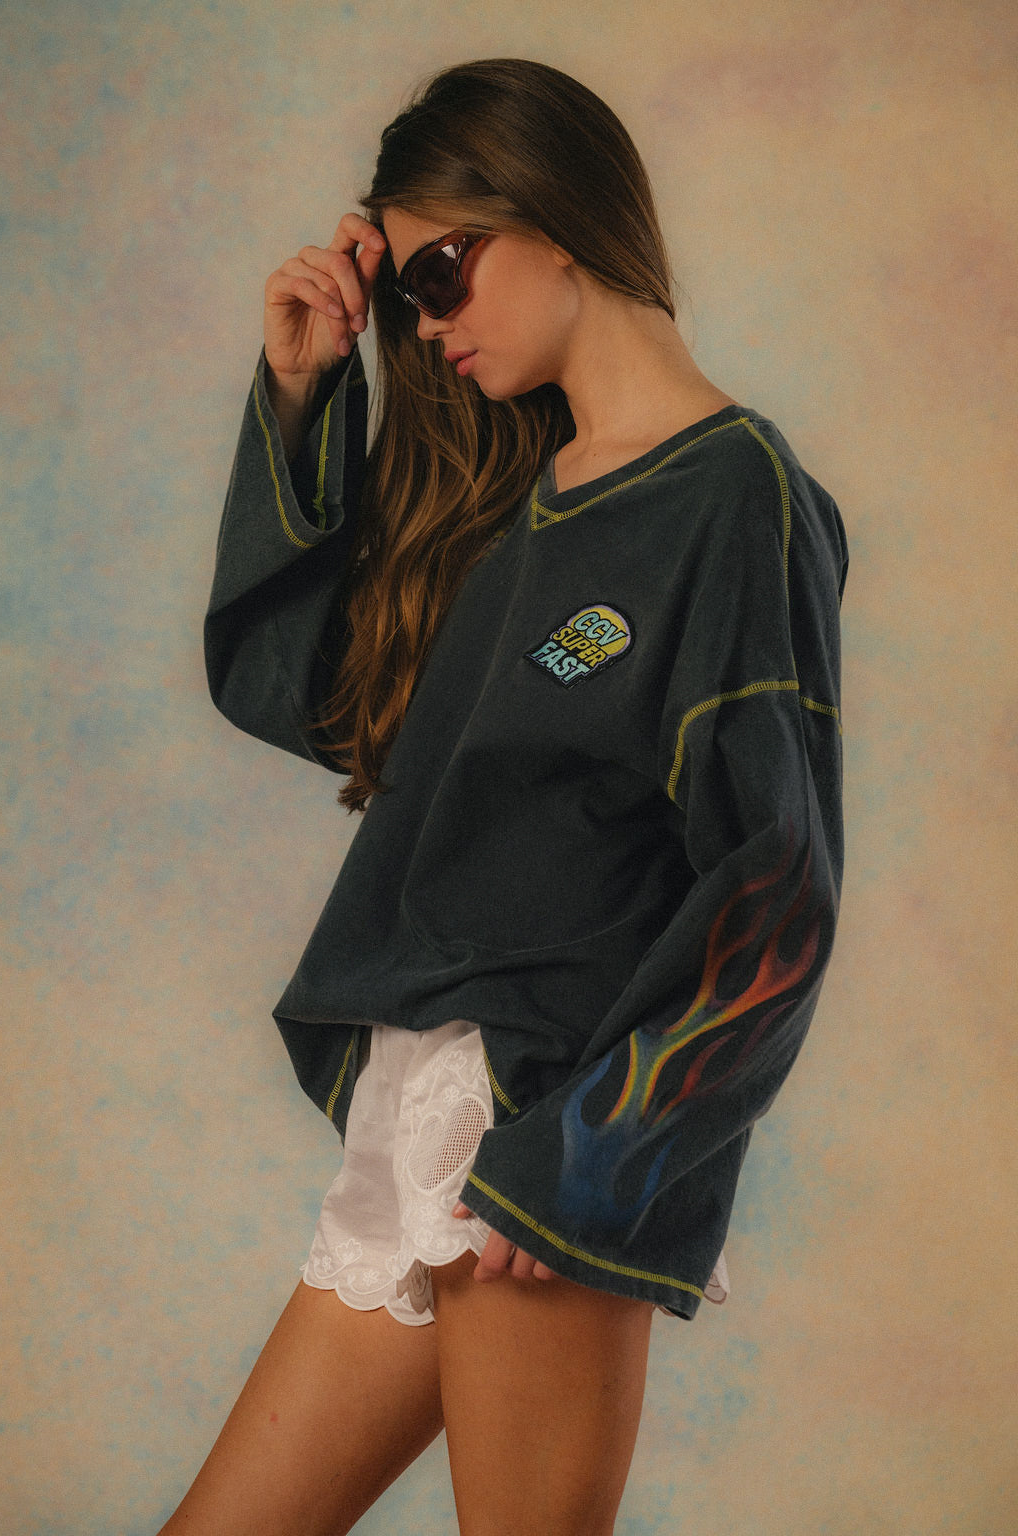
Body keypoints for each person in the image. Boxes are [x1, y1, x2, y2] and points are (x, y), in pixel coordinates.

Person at [161, 57, 847, 1536]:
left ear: (554, 216)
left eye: (444, 273)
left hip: (543, 1110)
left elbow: (777, 883)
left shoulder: (733, 492)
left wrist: (593, 1155)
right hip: (422, 1092)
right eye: (406, 290)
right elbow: (321, 694)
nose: (427, 321)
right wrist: (305, 390)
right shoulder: (517, 496)